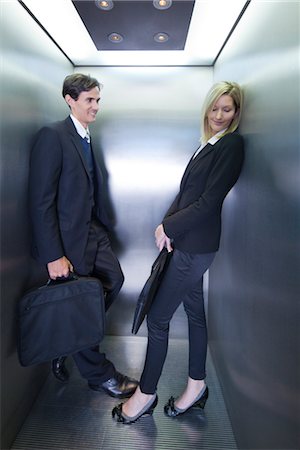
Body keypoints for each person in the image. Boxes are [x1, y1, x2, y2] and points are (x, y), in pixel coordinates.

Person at [112, 81, 244, 423]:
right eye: (214, 108)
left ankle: (145, 394)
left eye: (226, 109)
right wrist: (167, 225)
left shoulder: (231, 145)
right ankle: (196, 388)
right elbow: (187, 193)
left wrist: (169, 227)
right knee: (196, 315)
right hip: (188, 244)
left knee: (157, 318)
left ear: (236, 113)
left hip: (194, 249)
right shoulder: (207, 145)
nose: (218, 115)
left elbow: (208, 202)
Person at [29, 73, 138, 398]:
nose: (95, 106)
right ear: (69, 99)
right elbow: (41, 200)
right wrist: (52, 255)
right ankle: (100, 375)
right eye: (89, 100)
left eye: (97, 100)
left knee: (114, 281)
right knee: (80, 305)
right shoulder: (53, 135)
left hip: (93, 232)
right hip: (66, 243)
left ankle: (69, 337)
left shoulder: (86, 136)